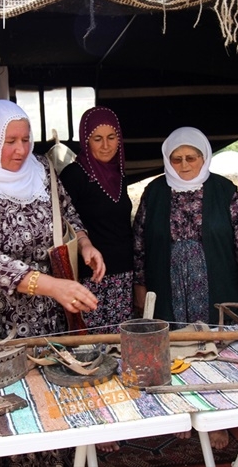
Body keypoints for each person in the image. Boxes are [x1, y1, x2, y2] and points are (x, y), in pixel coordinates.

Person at [133, 126, 238, 450]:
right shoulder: (154, 192)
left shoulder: (224, 191)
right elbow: (139, 244)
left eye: (191, 157)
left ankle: (218, 418)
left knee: (215, 349)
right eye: (177, 159)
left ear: (204, 157)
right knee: (174, 348)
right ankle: (181, 412)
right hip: (167, 282)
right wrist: (140, 287)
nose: (184, 165)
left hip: (216, 280)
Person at [0, 99, 103, 344]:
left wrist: (84, 243)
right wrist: (54, 287)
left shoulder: (41, 169)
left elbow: (66, 211)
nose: (21, 150)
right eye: (10, 142)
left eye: (26, 139)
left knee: (47, 362)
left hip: (45, 306)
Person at [60, 106, 134, 333]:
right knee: (91, 343)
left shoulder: (119, 174)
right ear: (86, 141)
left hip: (123, 275)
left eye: (111, 137)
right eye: (97, 139)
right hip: (91, 276)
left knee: (120, 343)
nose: (106, 145)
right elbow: (63, 220)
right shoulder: (74, 175)